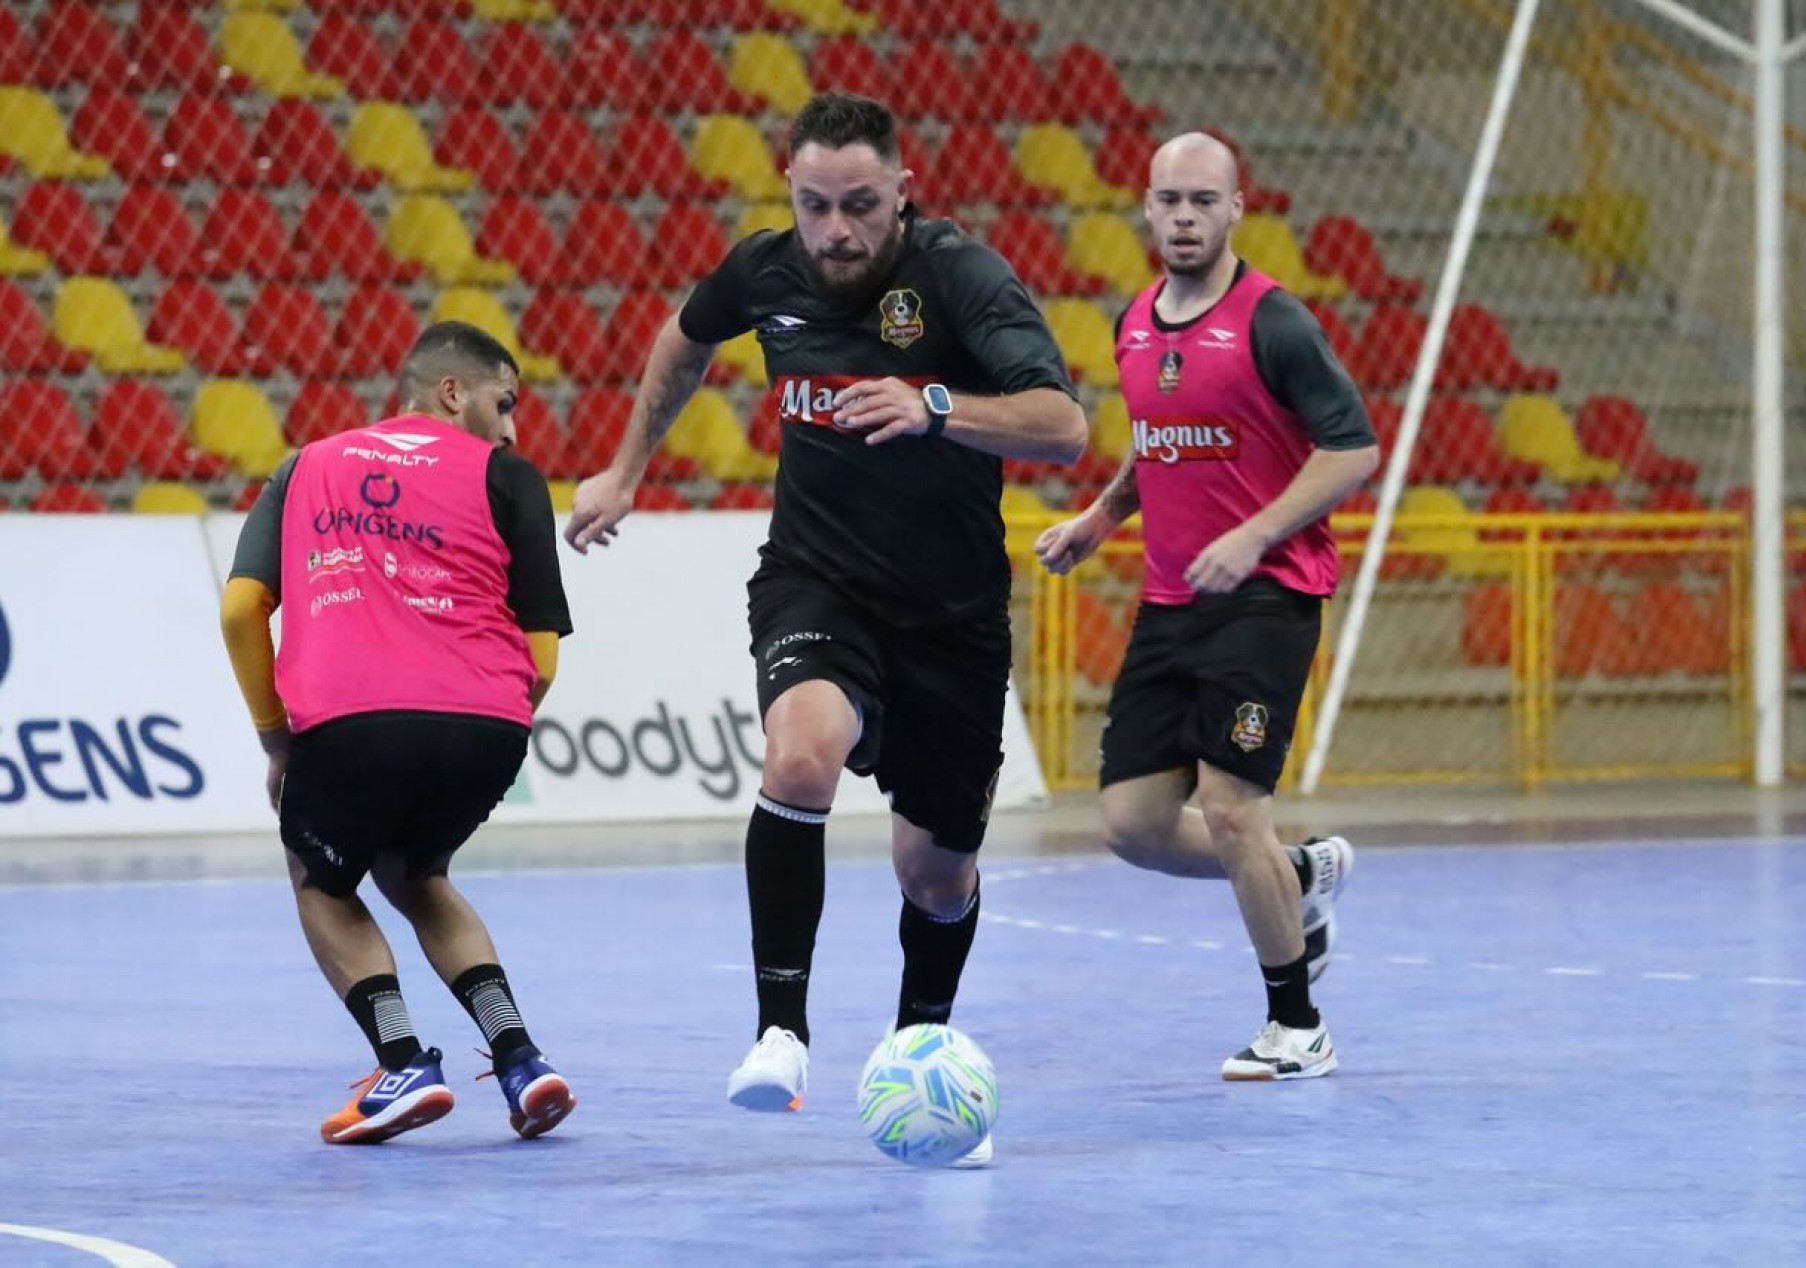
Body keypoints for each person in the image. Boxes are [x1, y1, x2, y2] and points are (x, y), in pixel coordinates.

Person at [564, 93, 1087, 1161]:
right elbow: (682, 335)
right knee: (800, 755)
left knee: (933, 876)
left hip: (951, 619)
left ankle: (918, 1047)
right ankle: (779, 1034)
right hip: (816, 583)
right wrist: (625, 470)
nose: (836, 229)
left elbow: (1064, 426)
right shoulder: (767, 271)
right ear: (790, 196)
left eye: (858, 205)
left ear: (902, 190)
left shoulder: (960, 279)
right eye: (815, 205)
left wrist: (936, 406)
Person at [1034, 133, 1379, 1080]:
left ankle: (1297, 1026)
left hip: (1265, 598)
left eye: (1202, 201)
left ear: (1235, 210)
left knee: (1232, 811)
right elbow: (1158, 444)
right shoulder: (1134, 321)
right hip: (1169, 601)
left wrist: (1256, 533)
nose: (1183, 218)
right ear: (1145, 210)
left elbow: (1352, 449)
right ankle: (1299, 875)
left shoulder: (1275, 323)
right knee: (1135, 826)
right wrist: (1101, 518)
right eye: (1167, 201)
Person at [220, 321, 579, 1143]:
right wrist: (489, 721)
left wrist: (279, 742)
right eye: (505, 401)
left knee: (320, 874)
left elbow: (240, 610)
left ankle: (403, 1060)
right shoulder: (512, 477)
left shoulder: (302, 467)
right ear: (452, 392)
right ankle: (521, 1059)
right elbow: (543, 659)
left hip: (351, 725)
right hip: (488, 727)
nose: (514, 426)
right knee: (416, 873)